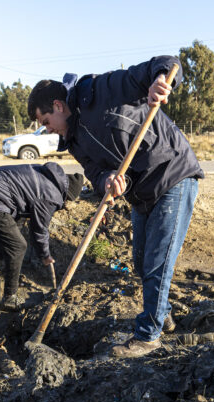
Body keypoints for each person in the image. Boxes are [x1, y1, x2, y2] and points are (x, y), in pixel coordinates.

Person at [27, 56, 204, 358]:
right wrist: (107, 179)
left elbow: (162, 64)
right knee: (140, 262)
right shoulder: (73, 140)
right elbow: (94, 172)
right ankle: (163, 314)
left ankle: (148, 336)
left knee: (156, 262)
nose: (48, 130)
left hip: (172, 173)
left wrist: (161, 79)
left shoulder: (98, 91)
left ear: (58, 105)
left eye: (46, 122)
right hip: (141, 193)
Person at [0, 162, 84, 309]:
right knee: (18, 246)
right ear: (67, 194)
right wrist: (45, 255)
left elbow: (23, 209)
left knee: (12, 233)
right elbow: (39, 229)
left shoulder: (44, 175)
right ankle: (10, 297)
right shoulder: (51, 195)